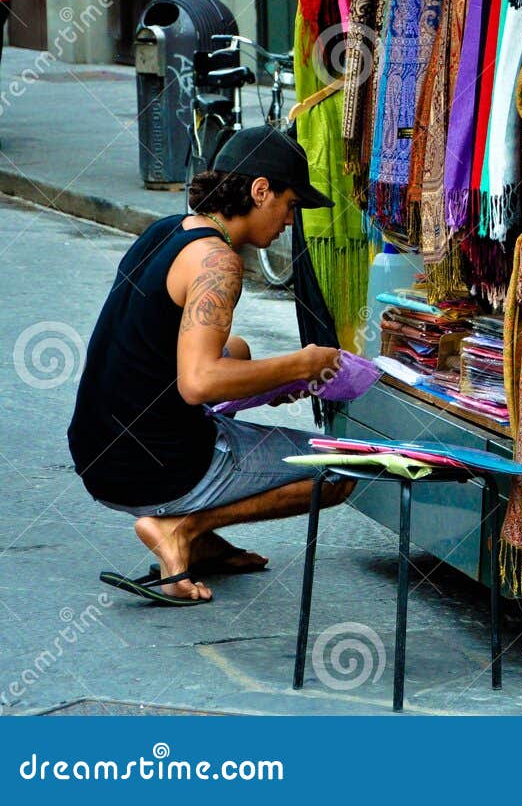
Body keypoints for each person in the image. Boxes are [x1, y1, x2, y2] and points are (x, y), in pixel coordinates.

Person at [69, 127, 355, 604]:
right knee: (344, 469)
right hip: (154, 465)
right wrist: (301, 366)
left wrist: (262, 378)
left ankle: (201, 540)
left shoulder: (168, 231)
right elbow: (198, 382)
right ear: (260, 190)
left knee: (237, 350)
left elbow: (169, 358)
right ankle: (182, 527)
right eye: (289, 204)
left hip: (97, 452)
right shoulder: (219, 262)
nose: (290, 220)